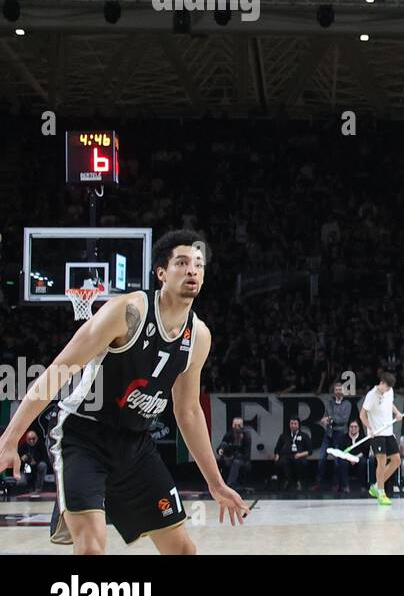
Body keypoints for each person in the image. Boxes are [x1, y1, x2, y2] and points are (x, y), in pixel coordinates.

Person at [0, 230, 248, 553]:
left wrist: (216, 483)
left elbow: (187, 411)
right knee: (91, 546)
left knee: (184, 550)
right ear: (161, 273)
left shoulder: (198, 336)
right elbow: (57, 371)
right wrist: (10, 438)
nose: (192, 270)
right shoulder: (128, 312)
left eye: (198, 264)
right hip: (82, 436)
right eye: (183, 263)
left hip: (135, 445)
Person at [359, 373, 402, 506]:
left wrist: (397, 412)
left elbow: (390, 404)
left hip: (388, 431)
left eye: (390, 388)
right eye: (387, 387)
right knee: (382, 461)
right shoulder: (371, 395)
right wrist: (369, 428)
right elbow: (362, 415)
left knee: (396, 461)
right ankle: (381, 492)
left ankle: (376, 486)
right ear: (382, 383)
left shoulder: (389, 391)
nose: (388, 390)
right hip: (376, 433)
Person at [313, 381, 353, 492]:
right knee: (321, 458)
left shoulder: (347, 404)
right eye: (337, 390)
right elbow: (326, 416)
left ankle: (337, 483)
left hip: (340, 434)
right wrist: (325, 420)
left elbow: (343, 420)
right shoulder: (329, 403)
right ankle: (318, 482)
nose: (338, 392)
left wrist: (330, 419)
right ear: (334, 391)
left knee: (337, 461)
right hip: (329, 433)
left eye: (340, 390)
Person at [272, 418, 313, 491]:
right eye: (291, 423)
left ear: (298, 425)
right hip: (286, 456)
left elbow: (310, 451)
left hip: (299, 456)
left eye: (295, 423)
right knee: (283, 462)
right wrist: (277, 455)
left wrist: (300, 454)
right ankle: (288, 481)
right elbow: (277, 448)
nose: (293, 425)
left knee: (300, 462)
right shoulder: (284, 435)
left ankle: (298, 481)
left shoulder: (304, 436)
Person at [218, 417, 253, 489]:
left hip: (242, 460)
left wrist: (234, 456)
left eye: (239, 425)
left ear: (242, 426)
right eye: (235, 425)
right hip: (229, 458)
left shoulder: (247, 436)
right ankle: (218, 484)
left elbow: (247, 455)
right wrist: (221, 450)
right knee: (224, 461)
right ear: (232, 425)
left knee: (236, 462)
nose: (237, 427)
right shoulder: (228, 435)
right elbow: (220, 447)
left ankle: (230, 485)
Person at [15, 430, 49, 496]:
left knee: (43, 465)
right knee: (20, 482)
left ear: (37, 438)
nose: (31, 441)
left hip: (37, 469)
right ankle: (27, 489)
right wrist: (22, 460)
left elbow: (46, 459)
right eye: (29, 439)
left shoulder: (41, 446)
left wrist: (36, 462)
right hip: (25, 470)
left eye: (33, 439)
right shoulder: (22, 447)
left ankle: (38, 488)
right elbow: (16, 463)